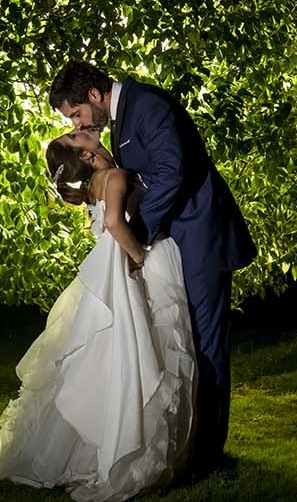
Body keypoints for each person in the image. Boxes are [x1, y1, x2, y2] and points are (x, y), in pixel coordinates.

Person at [50, 60, 256, 476]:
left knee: (208, 342)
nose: (78, 122)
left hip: (201, 233)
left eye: (76, 114)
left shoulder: (146, 106)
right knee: (192, 341)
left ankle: (208, 455)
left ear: (94, 94)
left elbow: (171, 173)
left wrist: (137, 234)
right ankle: (195, 446)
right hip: (179, 238)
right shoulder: (126, 119)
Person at [0, 133, 197, 502]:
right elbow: (113, 223)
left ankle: (84, 447)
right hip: (140, 263)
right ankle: (134, 455)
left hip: (109, 278)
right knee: (151, 348)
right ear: (87, 156)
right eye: (78, 136)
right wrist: (139, 254)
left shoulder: (94, 185)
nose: (86, 132)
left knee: (112, 359)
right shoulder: (117, 176)